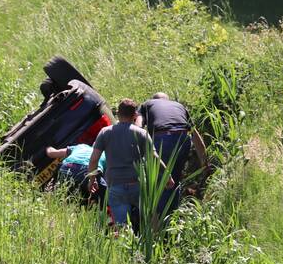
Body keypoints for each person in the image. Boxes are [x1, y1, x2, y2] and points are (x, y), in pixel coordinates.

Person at [87, 99, 174, 231]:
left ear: (117, 113)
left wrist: (92, 180)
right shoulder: (141, 133)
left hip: (116, 185)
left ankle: (124, 248)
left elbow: (94, 160)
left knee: (121, 226)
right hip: (138, 184)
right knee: (151, 216)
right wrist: (167, 176)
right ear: (134, 116)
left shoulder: (105, 132)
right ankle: (156, 244)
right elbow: (154, 157)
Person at [136, 92, 210, 216]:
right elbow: (195, 134)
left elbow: (138, 126)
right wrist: (204, 162)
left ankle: (158, 223)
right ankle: (172, 218)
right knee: (174, 179)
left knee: (158, 181)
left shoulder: (147, 105)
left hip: (161, 138)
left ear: (154, 100)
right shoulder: (179, 107)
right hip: (182, 138)